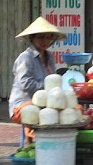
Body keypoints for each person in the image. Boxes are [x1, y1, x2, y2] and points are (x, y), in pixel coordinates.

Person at [9, 17, 66, 146]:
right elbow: (26, 84)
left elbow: (52, 80)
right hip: (22, 104)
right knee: (35, 110)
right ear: (32, 38)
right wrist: (48, 90)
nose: (45, 41)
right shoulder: (25, 58)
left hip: (44, 101)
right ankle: (28, 144)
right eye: (41, 37)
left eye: (48, 37)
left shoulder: (50, 57)